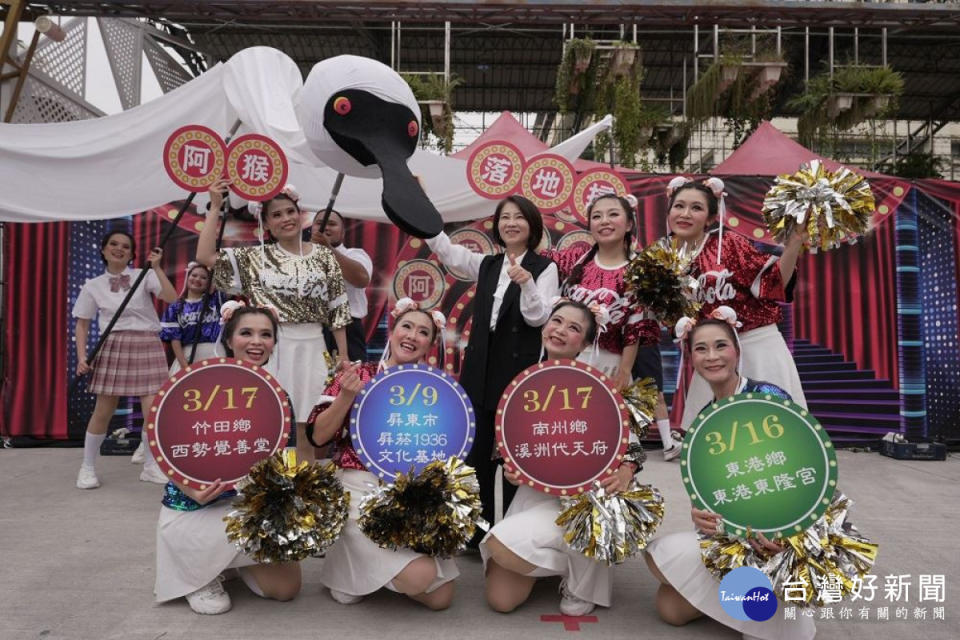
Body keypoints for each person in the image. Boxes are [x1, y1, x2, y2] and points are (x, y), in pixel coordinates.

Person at [643, 309, 815, 640]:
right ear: (691, 358)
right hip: (732, 538)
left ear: (737, 350)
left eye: (721, 346)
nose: (712, 357)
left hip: (776, 539)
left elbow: (805, 475)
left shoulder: (770, 398)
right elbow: (711, 492)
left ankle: (763, 605)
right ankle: (742, 600)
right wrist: (701, 514)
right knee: (670, 607)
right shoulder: (705, 418)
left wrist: (786, 532)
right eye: (701, 349)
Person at [481, 299, 646, 616]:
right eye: (556, 321)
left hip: (583, 501)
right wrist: (511, 468)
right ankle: (573, 559)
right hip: (535, 496)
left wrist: (627, 470)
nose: (560, 331)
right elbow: (505, 446)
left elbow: (633, 443)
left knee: (502, 545)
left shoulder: (598, 384)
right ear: (545, 326)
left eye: (574, 328)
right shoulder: (524, 380)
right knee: (500, 599)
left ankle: (584, 565)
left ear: (584, 343)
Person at [306, 298, 457, 610]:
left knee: (441, 599)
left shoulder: (436, 388)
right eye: (407, 326)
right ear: (393, 330)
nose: (412, 336)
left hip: (410, 491)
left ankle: (361, 570)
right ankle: (354, 570)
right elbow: (319, 436)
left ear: (431, 343)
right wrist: (347, 396)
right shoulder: (358, 373)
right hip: (357, 485)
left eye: (423, 332)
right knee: (420, 576)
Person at [424, 194, 559, 539]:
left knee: (513, 456)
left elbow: (539, 317)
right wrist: (420, 213)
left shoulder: (545, 268)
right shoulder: (486, 264)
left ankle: (511, 533)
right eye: (504, 218)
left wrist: (525, 281)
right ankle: (475, 531)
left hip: (517, 373)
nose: (511, 223)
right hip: (480, 370)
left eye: (518, 217)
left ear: (532, 225)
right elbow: (448, 251)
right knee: (476, 452)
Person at [155, 304, 302, 615]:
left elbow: (288, 457)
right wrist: (188, 487)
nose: (256, 342)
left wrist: (289, 501)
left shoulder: (279, 396)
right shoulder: (197, 384)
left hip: (249, 509)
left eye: (266, 334)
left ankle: (229, 563)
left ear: (274, 342)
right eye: (246, 332)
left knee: (286, 589)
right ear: (229, 338)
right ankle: (198, 576)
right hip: (198, 506)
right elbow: (166, 443)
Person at [197, 179, 352, 464]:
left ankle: (304, 491)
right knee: (269, 422)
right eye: (277, 215)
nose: (286, 219)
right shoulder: (255, 257)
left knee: (306, 425)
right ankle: (266, 491)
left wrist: (342, 356)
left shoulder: (324, 257)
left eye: (290, 211)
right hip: (270, 348)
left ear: (300, 213)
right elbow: (205, 256)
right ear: (266, 224)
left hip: (314, 347)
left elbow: (338, 310)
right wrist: (215, 208)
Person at [658, 177, 806, 431]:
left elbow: (773, 283)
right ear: (669, 211)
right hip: (713, 356)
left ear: (710, 217)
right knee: (716, 440)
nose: (685, 214)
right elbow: (669, 315)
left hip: (757, 347)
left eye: (696, 208)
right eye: (679, 206)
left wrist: (794, 243)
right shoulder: (664, 259)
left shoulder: (728, 244)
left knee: (775, 432)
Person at [543, 194, 669, 454]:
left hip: (609, 367)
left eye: (613, 214)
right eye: (597, 216)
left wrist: (624, 371)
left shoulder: (640, 270)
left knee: (606, 444)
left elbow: (636, 325)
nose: (604, 221)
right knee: (563, 440)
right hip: (567, 365)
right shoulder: (575, 260)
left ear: (630, 223)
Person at [73, 230, 177, 489]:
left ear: (132, 254)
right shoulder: (92, 285)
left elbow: (171, 298)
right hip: (114, 344)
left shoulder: (145, 275)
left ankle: (151, 467)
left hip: (146, 343)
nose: (119, 249)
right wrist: (81, 357)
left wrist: (157, 268)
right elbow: (82, 325)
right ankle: (87, 467)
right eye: (113, 244)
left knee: (153, 410)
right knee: (103, 410)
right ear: (104, 249)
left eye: (125, 246)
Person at [310, 209, 373, 362]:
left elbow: (361, 279)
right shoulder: (300, 257)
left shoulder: (355, 254)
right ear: (311, 229)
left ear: (343, 233)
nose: (325, 227)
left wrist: (328, 250)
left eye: (332, 224)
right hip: (310, 330)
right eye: (320, 223)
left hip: (349, 331)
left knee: (350, 381)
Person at [160, 262, 225, 374]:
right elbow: (174, 339)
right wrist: (184, 366)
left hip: (214, 351)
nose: (197, 279)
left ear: (209, 282)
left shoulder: (216, 300)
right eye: (194, 275)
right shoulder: (175, 307)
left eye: (203, 277)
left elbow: (228, 283)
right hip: (187, 355)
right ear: (187, 277)